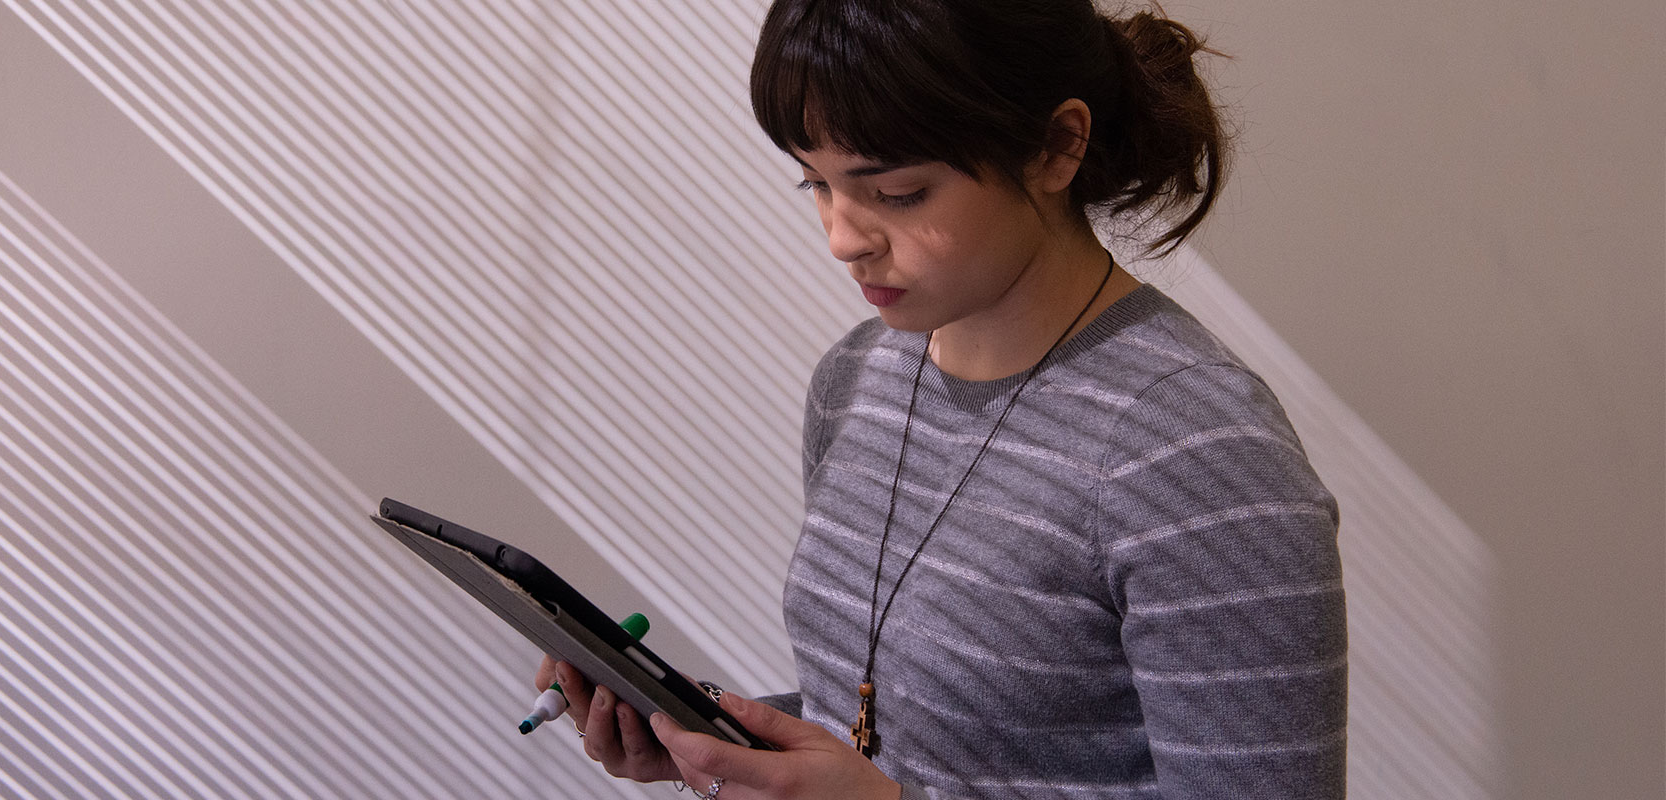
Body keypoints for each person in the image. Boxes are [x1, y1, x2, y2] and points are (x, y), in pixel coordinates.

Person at [536, 0, 1346, 797]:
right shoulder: (858, 379)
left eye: (896, 193)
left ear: (1058, 147)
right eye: (815, 183)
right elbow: (908, 744)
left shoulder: (1194, 451)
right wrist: (716, 741)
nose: (843, 238)